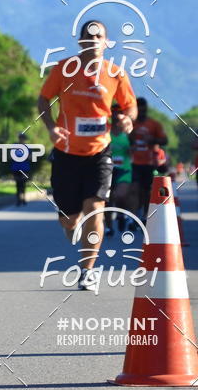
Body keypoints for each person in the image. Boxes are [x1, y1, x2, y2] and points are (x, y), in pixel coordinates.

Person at [37, 20, 137, 290]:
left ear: (106, 43)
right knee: (69, 219)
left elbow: (130, 107)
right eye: (89, 36)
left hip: (99, 152)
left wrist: (127, 120)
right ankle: (71, 224)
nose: (94, 40)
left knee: (95, 210)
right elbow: (43, 99)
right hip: (66, 153)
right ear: (80, 41)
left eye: (99, 36)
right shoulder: (64, 69)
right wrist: (51, 127)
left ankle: (87, 272)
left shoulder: (116, 73)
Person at [130, 97, 168, 222]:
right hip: (133, 162)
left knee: (146, 191)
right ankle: (135, 215)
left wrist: (153, 140)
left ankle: (145, 214)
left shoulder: (154, 124)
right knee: (134, 189)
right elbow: (124, 138)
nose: (141, 112)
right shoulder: (131, 124)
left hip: (149, 163)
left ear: (146, 109)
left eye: (143, 110)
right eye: (138, 110)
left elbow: (165, 140)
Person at [105, 102, 132, 236]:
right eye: (113, 111)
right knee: (107, 200)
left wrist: (131, 149)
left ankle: (121, 216)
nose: (116, 114)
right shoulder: (105, 129)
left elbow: (135, 150)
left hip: (124, 169)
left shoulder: (128, 131)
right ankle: (109, 227)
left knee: (120, 196)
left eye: (119, 111)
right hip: (107, 169)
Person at [10, 131, 31, 206]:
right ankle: (18, 200)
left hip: (24, 168)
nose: (22, 140)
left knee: (23, 184)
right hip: (15, 168)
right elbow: (11, 156)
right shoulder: (14, 146)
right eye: (21, 138)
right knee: (18, 184)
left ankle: (23, 199)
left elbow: (29, 157)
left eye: (23, 138)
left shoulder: (27, 147)